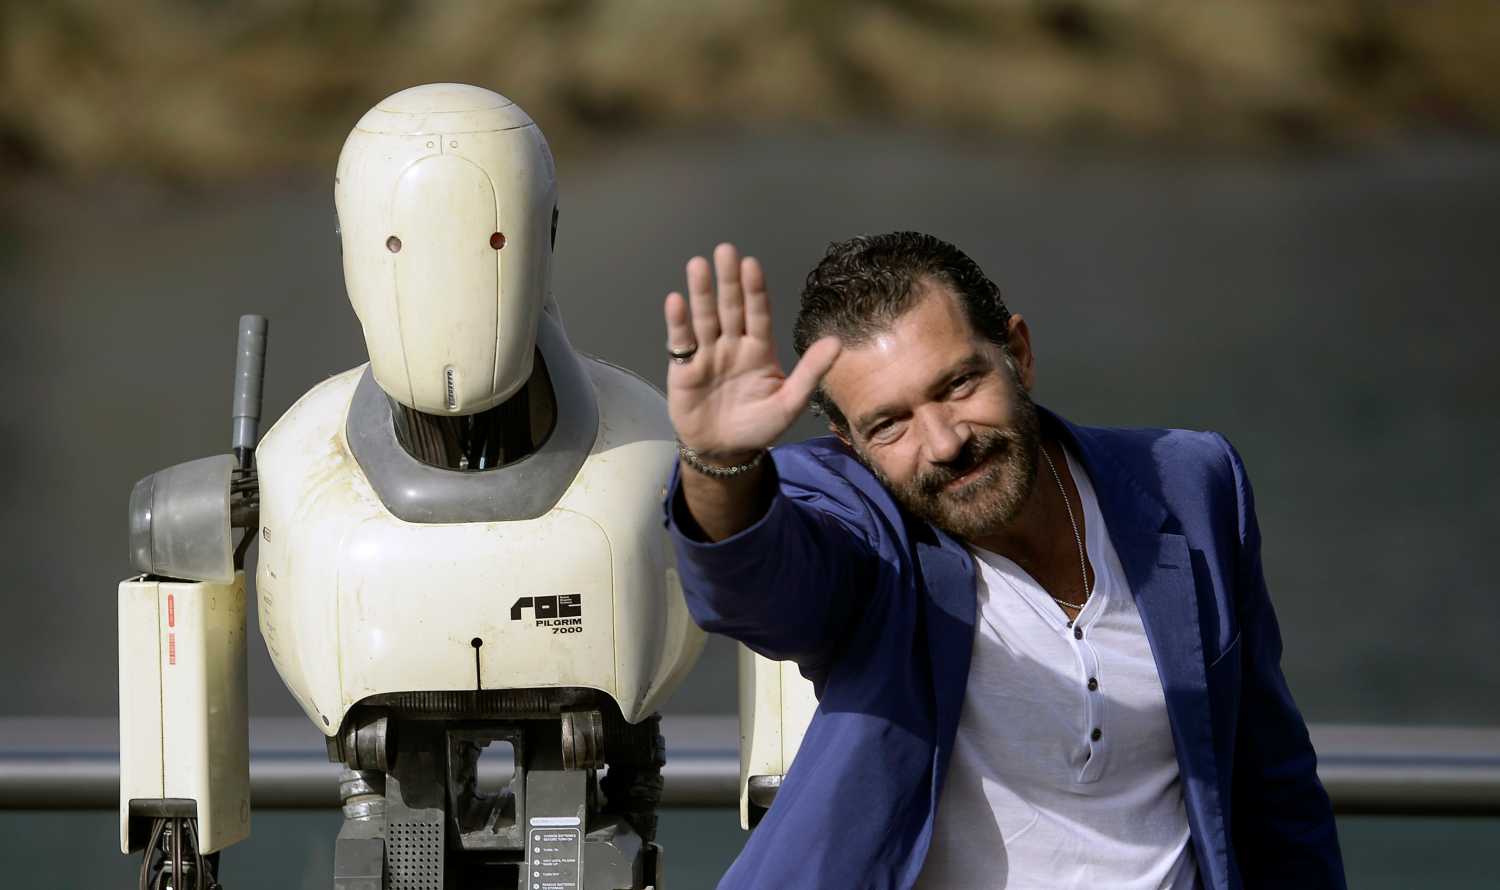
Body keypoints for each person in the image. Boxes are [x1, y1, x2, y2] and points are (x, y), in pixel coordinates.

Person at [660, 233, 1346, 890]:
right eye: (889, 424)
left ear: (1018, 352)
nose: (944, 442)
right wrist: (722, 466)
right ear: (849, 443)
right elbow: (763, 588)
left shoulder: (1189, 483)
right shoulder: (858, 522)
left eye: (958, 385)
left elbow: (1272, 784)